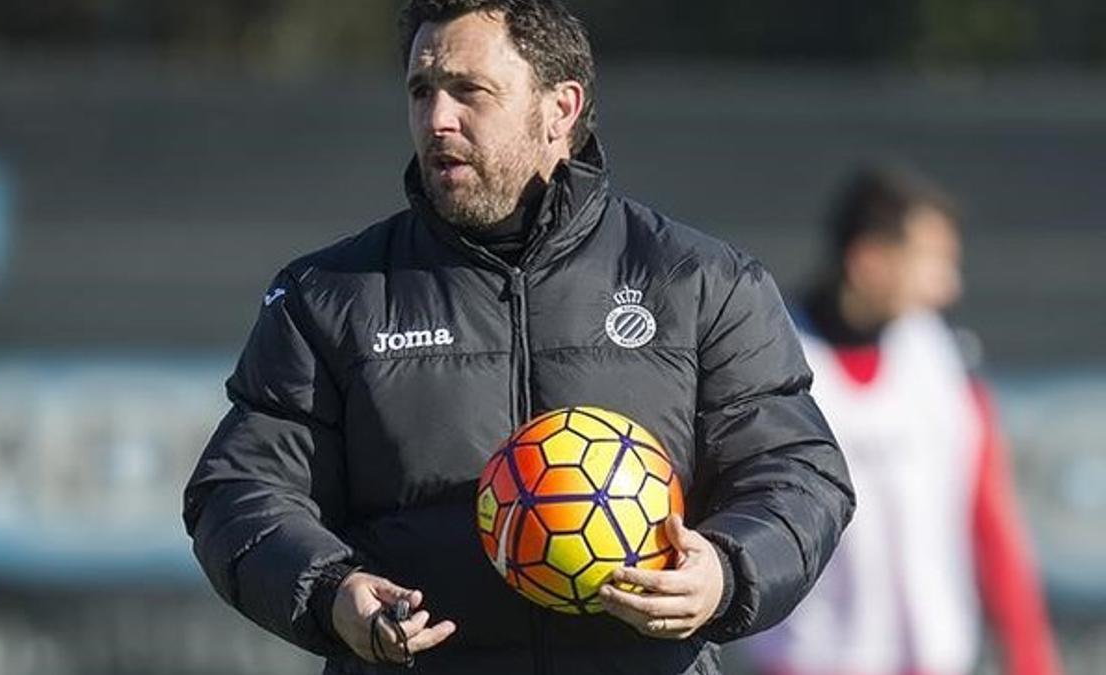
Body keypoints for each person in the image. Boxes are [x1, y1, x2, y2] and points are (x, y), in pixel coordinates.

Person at [182, 2, 854, 673]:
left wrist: (725, 569)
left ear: (560, 109)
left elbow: (798, 473)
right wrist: (332, 592)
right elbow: (240, 491)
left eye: (469, 91)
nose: (437, 119)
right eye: (422, 91)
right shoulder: (328, 294)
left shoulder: (703, 282)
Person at [743, 165, 1062, 675]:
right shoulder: (772, 360)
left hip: (934, 660)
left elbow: (989, 511)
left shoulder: (938, 358)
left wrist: (1030, 656)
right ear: (869, 261)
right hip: (811, 661)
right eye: (932, 263)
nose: (949, 286)